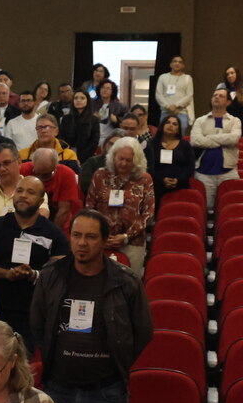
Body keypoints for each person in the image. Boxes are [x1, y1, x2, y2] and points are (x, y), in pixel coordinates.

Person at [32, 210, 153, 403]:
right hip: (58, 389)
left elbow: (143, 332)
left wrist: (118, 363)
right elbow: (37, 323)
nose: (82, 243)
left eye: (90, 237)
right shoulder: (51, 275)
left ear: (104, 241)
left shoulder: (125, 281)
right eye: (76, 236)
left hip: (106, 394)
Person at [0, 176, 68, 350]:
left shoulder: (53, 233)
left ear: (41, 201)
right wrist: (5, 273)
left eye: (30, 192)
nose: (23, 195)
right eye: (20, 190)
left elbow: (61, 272)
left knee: (22, 359)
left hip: (32, 311)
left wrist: (33, 275)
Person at [84, 137, 154, 273]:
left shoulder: (145, 179)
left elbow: (148, 214)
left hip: (132, 242)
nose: (123, 163)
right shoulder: (100, 175)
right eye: (120, 158)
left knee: (130, 280)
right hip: (102, 239)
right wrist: (100, 234)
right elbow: (90, 207)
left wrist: (126, 237)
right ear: (113, 156)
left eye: (129, 160)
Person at [191, 86, 242, 209]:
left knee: (230, 207)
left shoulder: (235, 121)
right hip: (203, 173)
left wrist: (208, 138)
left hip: (228, 173)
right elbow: (195, 141)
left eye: (221, 96)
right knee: (206, 208)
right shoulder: (200, 121)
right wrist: (223, 140)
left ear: (228, 102)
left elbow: (234, 139)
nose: (217, 97)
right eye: (215, 95)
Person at [146, 113, 195, 204]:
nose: (171, 125)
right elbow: (148, 167)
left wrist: (178, 180)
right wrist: (162, 180)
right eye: (168, 122)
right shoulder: (152, 144)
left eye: (174, 124)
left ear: (178, 130)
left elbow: (190, 167)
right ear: (162, 125)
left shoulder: (185, 145)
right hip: (156, 186)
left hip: (180, 186)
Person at [154, 55, 194, 131]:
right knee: (164, 134)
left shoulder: (187, 78)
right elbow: (158, 95)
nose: (177, 63)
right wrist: (168, 106)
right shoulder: (163, 77)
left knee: (180, 135)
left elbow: (189, 95)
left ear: (183, 65)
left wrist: (176, 105)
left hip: (181, 112)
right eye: (175, 61)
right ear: (170, 64)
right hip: (166, 111)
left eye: (180, 62)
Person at [59, 90, 100, 162]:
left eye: (82, 98)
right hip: (67, 156)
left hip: (86, 157)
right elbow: (61, 138)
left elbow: (94, 142)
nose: (78, 100)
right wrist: (70, 155)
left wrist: (80, 158)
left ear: (87, 101)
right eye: (76, 98)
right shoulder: (66, 118)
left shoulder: (94, 120)